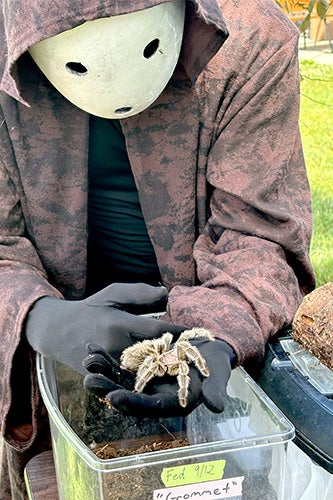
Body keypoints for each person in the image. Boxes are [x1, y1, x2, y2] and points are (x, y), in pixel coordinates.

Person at [0, 0, 315, 497]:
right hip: (58, 364)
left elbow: (257, 230)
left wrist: (221, 327)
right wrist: (38, 315)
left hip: (206, 379)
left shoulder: (251, 39)